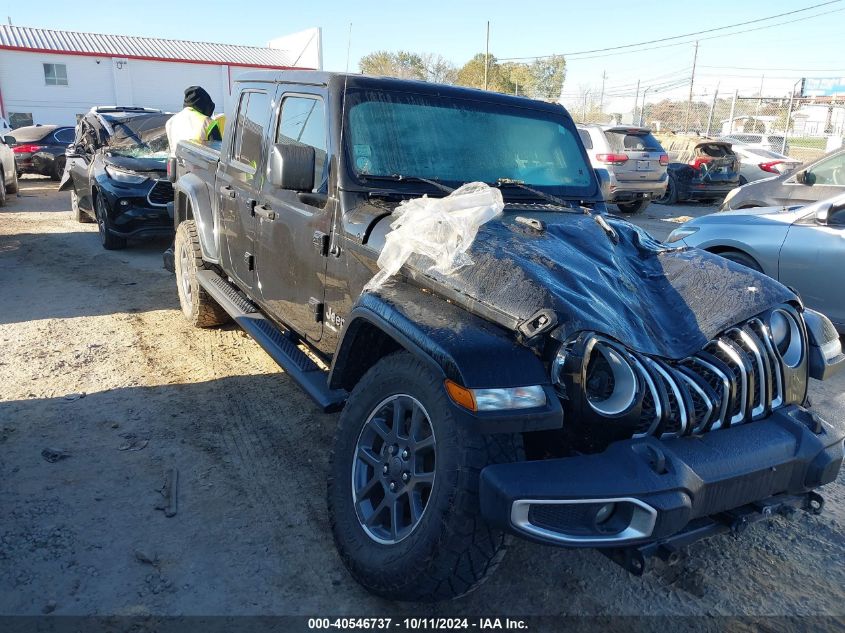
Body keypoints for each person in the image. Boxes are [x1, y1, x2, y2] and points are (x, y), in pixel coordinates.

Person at [163, 86, 222, 272]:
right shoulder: (207, 122)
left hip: (179, 173)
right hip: (203, 175)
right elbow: (218, 151)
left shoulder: (172, 121)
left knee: (183, 218)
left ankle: (177, 252)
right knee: (207, 220)